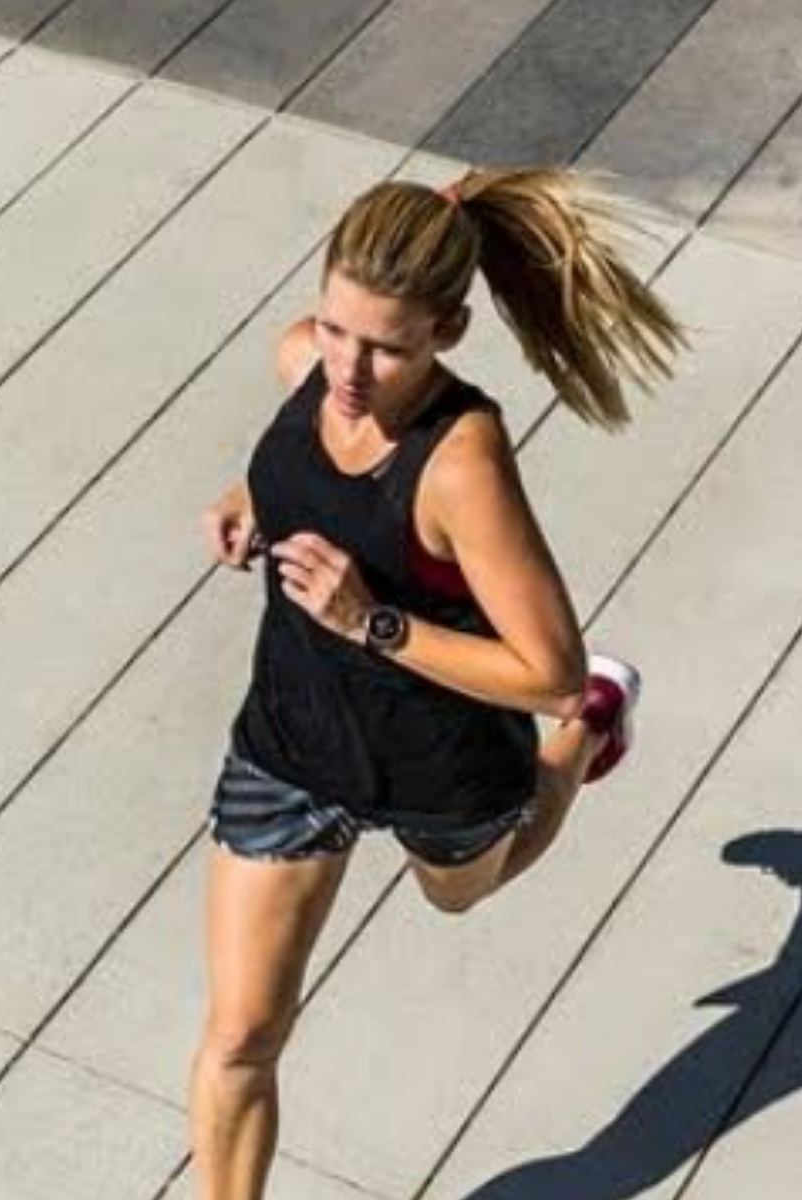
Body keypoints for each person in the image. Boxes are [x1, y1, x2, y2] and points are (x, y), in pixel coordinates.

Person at [191, 169, 687, 1200]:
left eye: (386, 346)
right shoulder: (309, 365)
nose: (350, 369)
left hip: (441, 759)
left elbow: (543, 670)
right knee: (240, 1034)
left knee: (463, 892)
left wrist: (368, 619)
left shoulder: (462, 461)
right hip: (292, 739)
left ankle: (598, 733)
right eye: (335, 328)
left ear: (449, 332)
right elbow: (297, 459)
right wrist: (250, 496)